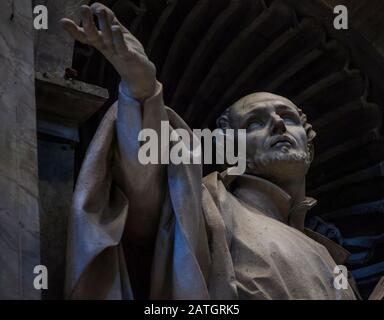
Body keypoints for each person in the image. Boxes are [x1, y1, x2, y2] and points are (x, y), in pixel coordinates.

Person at [62, 3, 357, 300]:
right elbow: (142, 195)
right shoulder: (208, 204)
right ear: (228, 146)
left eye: (289, 118)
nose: (279, 125)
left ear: (310, 142)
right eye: (255, 122)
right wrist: (142, 92)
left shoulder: (328, 255)